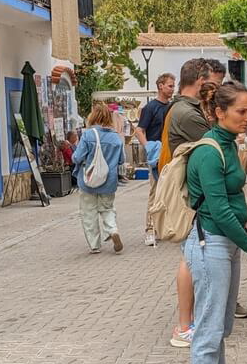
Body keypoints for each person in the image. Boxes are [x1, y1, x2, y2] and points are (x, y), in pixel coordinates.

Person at [184, 81, 247, 364]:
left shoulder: (229, 146)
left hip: (224, 243)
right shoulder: (209, 152)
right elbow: (218, 210)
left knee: (221, 325)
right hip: (210, 243)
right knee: (209, 328)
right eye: (241, 111)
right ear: (219, 112)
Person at [163, 58, 218, 347]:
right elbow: (215, 142)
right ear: (199, 79)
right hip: (192, 194)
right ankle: (184, 326)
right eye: (209, 80)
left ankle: (188, 323)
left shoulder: (187, 109)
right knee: (189, 257)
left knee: (192, 256)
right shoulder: (186, 113)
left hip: (194, 191)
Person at [72, 103, 124, 254]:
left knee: (89, 212)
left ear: (93, 116)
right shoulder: (115, 137)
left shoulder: (88, 135)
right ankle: (113, 230)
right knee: (107, 208)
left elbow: (77, 157)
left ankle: (95, 245)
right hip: (109, 181)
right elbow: (121, 160)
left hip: (89, 181)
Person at [135, 72, 176, 246]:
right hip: (157, 155)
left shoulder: (173, 107)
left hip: (171, 154)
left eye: (173, 85)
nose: (172, 88)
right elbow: (139, 130)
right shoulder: (150, 108)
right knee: (155, 192)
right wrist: (149, 146)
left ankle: (165, 226)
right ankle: (150, 229)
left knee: (170, 193)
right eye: (170, 85)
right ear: (160, 86)